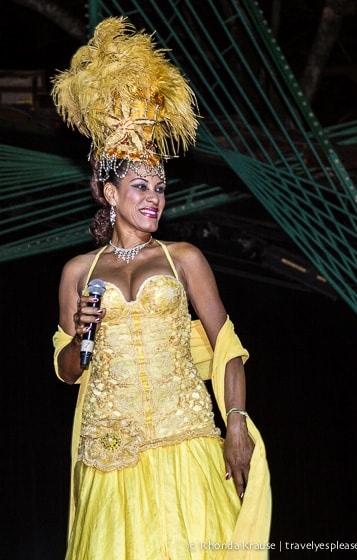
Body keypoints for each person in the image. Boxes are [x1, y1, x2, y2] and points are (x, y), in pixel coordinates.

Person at [52, 17, 271, 559]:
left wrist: (237, 426)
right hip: (111, 457)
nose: (154, 197)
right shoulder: (78, 271)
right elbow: (67, 369)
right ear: (109, 190)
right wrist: (80, 334)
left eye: (161, 187)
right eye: (139, 185)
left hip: (187, 443)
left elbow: (227, 347)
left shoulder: (184, 259)